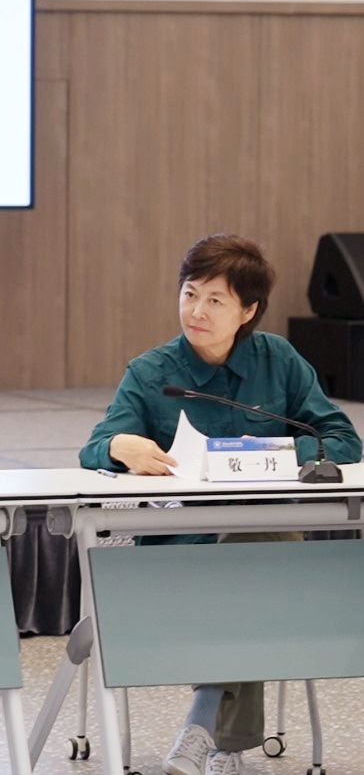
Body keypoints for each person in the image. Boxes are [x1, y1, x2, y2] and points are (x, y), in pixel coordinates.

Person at [79, 234, 361, 775]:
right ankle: (224, 745)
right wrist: (119, 447)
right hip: (180, 549)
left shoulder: (279, 360)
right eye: (189, 295)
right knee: (255, 569)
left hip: (266, 545)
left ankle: (203, 724)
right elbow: (95, 448)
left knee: (255, 547)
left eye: (215, 300)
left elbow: (342, 440)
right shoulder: (152, 372)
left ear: (247, 311)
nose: (197, 312)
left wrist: (279, 453)